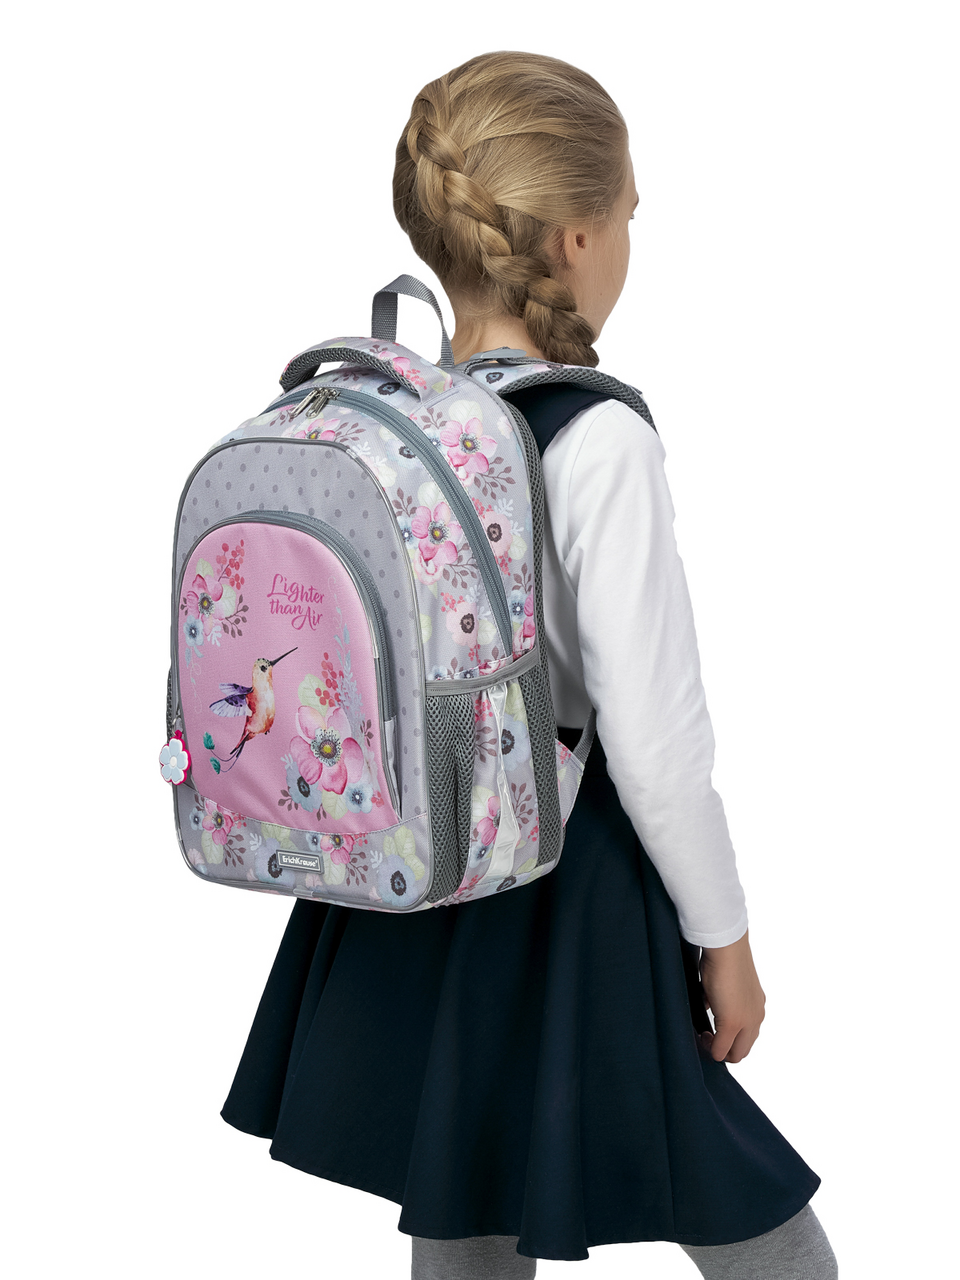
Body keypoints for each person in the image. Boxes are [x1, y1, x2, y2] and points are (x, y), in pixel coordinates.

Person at [221, 51, 838, 1279]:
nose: (630, 241)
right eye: (629, 215)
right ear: (574, 238)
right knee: (736, 1197)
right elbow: (655, 742)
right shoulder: (594, 434)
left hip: (410, 867)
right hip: (564, 873)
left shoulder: (391, 418)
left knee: (464, 1171)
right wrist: (724, 934)